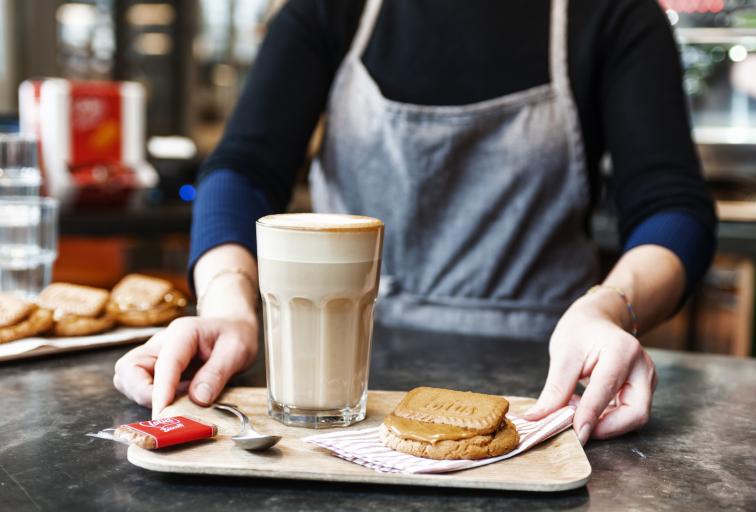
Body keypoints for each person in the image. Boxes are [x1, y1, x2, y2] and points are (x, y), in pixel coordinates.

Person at [114, 0, 716, 445]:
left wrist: (611, 307)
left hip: (548, 388)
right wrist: (226, 300)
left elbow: (672, 207)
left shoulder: (613, 14)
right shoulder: (331, 10)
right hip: (331, 386)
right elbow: (243, 168)